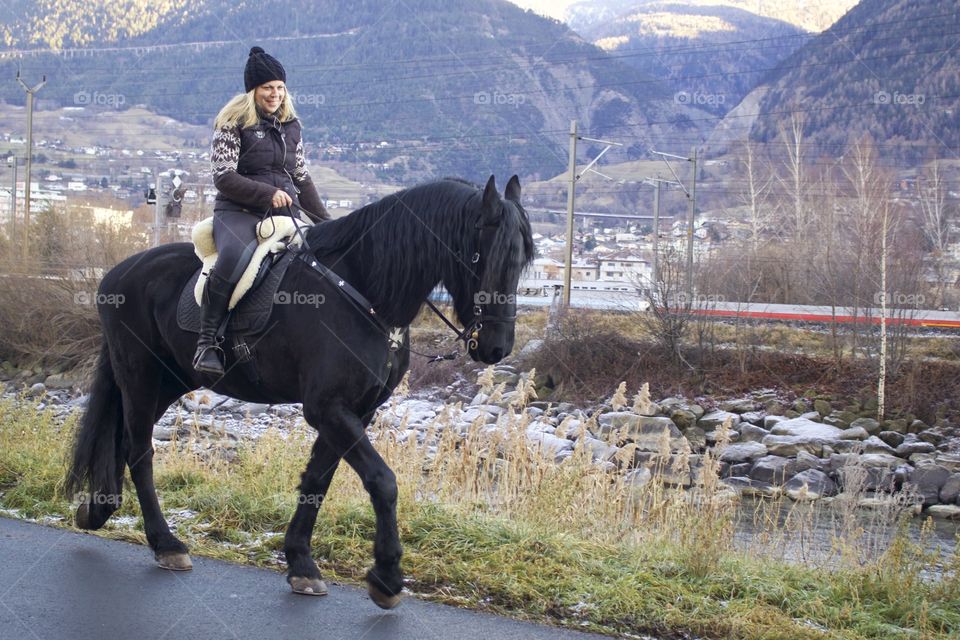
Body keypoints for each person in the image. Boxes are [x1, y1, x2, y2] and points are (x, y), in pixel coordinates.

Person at [193, 46, 330, 375]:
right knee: (234, 257)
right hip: (238, 211)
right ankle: (206, 342)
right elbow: (224, 177)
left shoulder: (291, 126)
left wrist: (327, 223)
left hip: (284, 214)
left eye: (280, 87)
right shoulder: (232, 122)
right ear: (253, 90)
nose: (275, 94)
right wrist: (268, 193)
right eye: (268, 87)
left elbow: (300, 177)